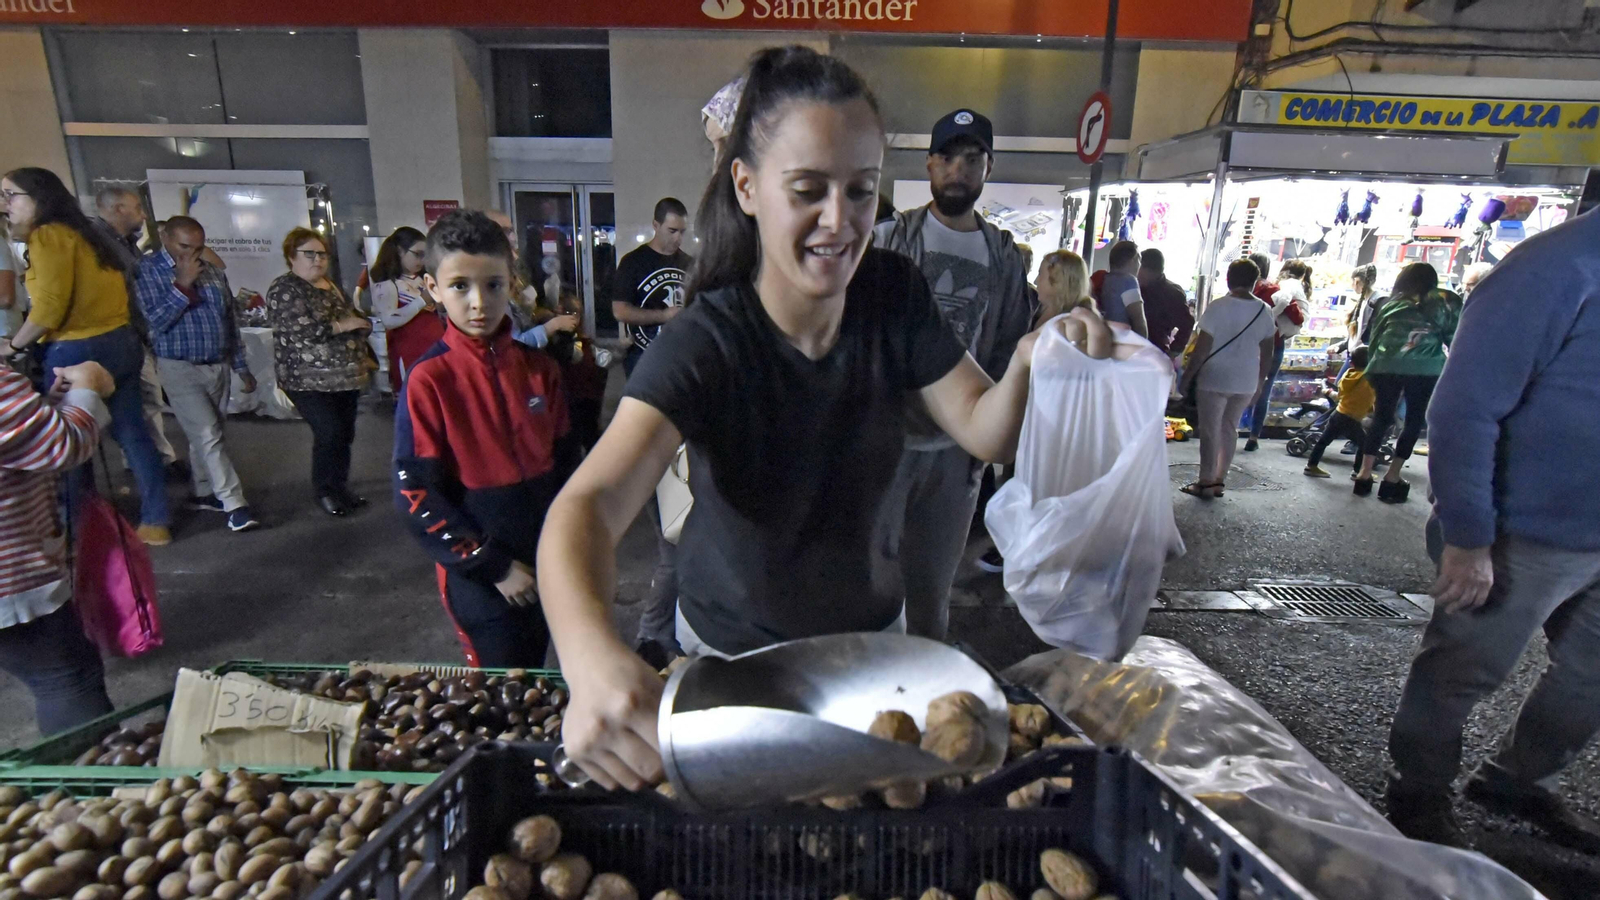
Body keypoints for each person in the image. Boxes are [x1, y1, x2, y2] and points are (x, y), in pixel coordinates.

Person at [535, 46, 1100, 790]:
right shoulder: (710, 339)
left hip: (872, 653)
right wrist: (591, 659)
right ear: (745, 185)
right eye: (807, 189)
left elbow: (983, 427)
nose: (839, 223)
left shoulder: (891, 294)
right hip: (731, 660)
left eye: (861, 192)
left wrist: (1031, 357)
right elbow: (589, 503)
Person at [1385, 209, 1600, 853]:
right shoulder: (1555, 267)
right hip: (1520, 530)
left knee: (1589, 677)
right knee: (1460, 672)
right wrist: (1469, 535)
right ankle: (1417, 790)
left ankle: (1518, 779)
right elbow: (1464, 404)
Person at [874, 106, 1034, 640]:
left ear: (988, 168)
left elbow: (1009, 349)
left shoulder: (1003, 258)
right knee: (867, 585)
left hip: (954, 454)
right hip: (884, 446)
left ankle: (926, 702)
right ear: (928, 165)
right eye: (947, 156)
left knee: (929, 595)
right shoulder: (889, 241)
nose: (958, 169)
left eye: (972, 158)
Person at [395, 211, 573, 668]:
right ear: (433, 288)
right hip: (485, 580)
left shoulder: (541, 370)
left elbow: (570, 468)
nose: (479, 302)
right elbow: (415, 493)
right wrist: (491, 565)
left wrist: (575, 549)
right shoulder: (429, 381)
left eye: (493, 285)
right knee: (501, 696)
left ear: (511, 283)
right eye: (460, 286)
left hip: (550, 566)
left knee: (545, 684)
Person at [0, 168, 172, 545]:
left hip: (75, 348)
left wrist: (12, 346)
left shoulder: (48, 235)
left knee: (68, 441)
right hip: (120, 341)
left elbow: (48, 309)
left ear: (39, 198)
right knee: (133, 434)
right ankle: (156, 520)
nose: (5, 206)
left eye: (11, 195)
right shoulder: (86, 232)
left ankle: (79, 529)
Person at [0, 359, 118, 736]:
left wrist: (44, 411)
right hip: (10, 582)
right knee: (68, 678)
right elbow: (62, 445)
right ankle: (92, 787)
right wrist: (88, 390)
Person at [133, 216, 260, 533]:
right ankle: (235, 504)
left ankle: (205, 491)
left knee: (210, 433)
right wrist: (182, 285)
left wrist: (241, 367)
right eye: (184, 246)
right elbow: (152, 324)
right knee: (207, 435)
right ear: (165, 238)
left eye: (199, 247)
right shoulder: (148, 272)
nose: (191, 253)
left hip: (216, 365)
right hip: (178, 367)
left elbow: (228, 321)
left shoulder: (213, 270)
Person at [266, 228, 372, 516]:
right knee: (329, 432)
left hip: (345, 376)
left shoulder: (331, 286)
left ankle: (340, 487)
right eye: (309, 254)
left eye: (322, 254)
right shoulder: (285, 289)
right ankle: (325, 491)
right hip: (307, 379)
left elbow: (356, 316)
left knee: (344, 433)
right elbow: (304, 332)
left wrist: (357, 323)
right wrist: (344, 326)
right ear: (291, 257)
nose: (317, 260)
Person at [93, 187, 181, 477]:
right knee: (129, 405)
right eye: (137, 208)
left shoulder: (126, 244)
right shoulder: (95, 243)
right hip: (114, 335)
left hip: (134, 334)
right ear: (117, 209)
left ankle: (156, 459)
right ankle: (147, 462)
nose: (143, 215)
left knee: (149, 399)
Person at [1353, 263, 1460, 502]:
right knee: (1413, 420)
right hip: (1424, 369)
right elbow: (1455, 336)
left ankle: (1364, 473)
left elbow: (1374, 337)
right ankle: (1392, 476)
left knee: (1381, 417)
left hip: (1385, 365)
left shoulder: (1392, 302)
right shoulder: (1443, 300)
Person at [1178, 259, 1277, 498]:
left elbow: (1202, 349)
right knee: (1230, 429)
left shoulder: (1218, 307)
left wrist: (1187, 377)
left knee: (1210, 430)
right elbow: (1268, 353)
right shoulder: (1265, 310)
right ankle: (1220, 480)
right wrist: (1261, 383)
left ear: (1228, 279)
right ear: (1255, 282)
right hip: (1246, 380)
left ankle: (1205, 482)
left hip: (1215, 377)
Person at [613, 198, 692, 377]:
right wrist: (663, 315)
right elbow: (620, 311)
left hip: (679, 356)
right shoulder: (633, 262)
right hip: (642, 357)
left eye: (682, 232)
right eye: (672, 231)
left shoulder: (690, 264)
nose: (678, 238)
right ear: (656, 225)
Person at [368, 227, 446, 393]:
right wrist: (421, 300)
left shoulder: (421, 279)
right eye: (417, 254)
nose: (422, 260)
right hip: (409, 349)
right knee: (416, 394)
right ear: (400, 251)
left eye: (425, 255)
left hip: (435, 346)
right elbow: (389, 320)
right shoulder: (388, 284)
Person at [1244, 257, 1310, 452]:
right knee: (1263, 389)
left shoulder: (1242, 291)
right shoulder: (1273, 290)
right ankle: (1253, 436)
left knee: (1238, 386)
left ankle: (1232, 427)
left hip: (1246, 345)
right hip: (1273, 344)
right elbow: (1297, 317)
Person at [1303, 346, 1374, 477]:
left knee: (1323, 441)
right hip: (1351, 418)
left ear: (1351, 363)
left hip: (1339, 413)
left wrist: (1329, 392)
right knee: (1364, 445)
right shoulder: (1368, 380)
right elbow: (1369, 398)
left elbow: (1343, 395)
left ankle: (1311, 466)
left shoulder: (1348, 375)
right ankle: (1358, 471)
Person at [1137, 247, 1194, 360]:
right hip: (1131, 352)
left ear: (1147, 270)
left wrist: (1173, 351)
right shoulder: (1134, 286)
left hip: (1154, 353)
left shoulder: (1172, 293)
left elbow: (1187, 324)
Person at [1096, 240, 1149, 339]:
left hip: (1102, 337)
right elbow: (1139, 321)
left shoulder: (1103, 278)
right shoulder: (1129, 281)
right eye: (1139, 260)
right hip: (1121, 340)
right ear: (1133, 259)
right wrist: (1143, 347)